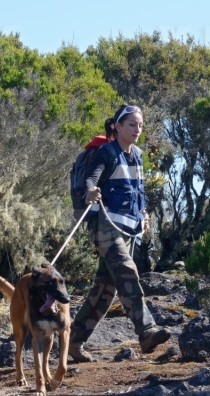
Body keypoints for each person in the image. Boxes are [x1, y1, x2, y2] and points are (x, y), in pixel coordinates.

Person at [68, 104, 171, 362]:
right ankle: (146, 331)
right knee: (126, 270)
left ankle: (73, 342)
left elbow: (138, 190)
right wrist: (90, 191)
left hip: (127, 229)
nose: (137, 129)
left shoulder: (137, 155)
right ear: (118, 126)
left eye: (140, 125)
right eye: (132, 124)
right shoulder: (106, 152)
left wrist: (144, 214)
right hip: (104, 225)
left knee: (106, 287)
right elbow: (91, 179)